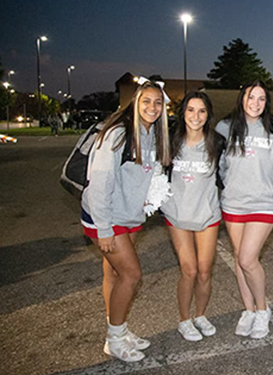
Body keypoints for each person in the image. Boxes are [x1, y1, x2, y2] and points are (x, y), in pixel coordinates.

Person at [81, 80, 171, 362]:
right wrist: (104, 229)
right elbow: (99, 183)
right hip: (106, 215)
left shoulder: (151, 134)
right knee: (132, 276)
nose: (152, 108)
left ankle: (116, 329)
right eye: (146, 101)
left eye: (158, 103)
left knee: (115, 274)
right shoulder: (119, 133)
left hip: (128, 215)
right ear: (134, 103)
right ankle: (115, 338)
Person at [216, 81, 273, 340]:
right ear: (241, 98)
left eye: (261, 98)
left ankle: (262, 309)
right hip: (234, 203)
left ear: (267, 102)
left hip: (264, 203)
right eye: (251, 97)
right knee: (239, 258)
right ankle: (248, 310)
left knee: (247, 258)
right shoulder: (225, 128)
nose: (255, 103)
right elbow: (220, 165)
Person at [160, 91, 225, 341]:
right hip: (177, 214)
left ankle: (200, 315)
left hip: (207, 215)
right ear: (182, 112)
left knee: (205, 271)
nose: (195, 116)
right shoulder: (170, 141)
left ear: (208, 115)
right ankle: (184, 319)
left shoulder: (217, 142)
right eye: (190, 110)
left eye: (201, 111)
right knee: (188, 271)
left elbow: (230, 171)